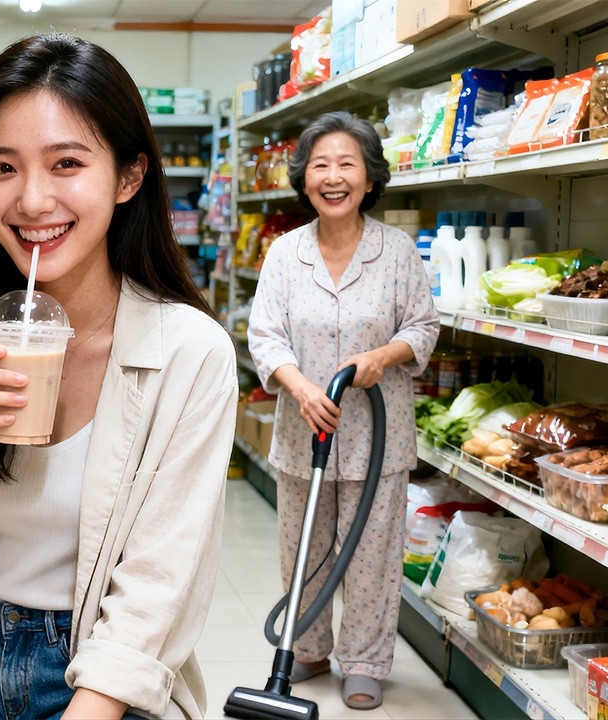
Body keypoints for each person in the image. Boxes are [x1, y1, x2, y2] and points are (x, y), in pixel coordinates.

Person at [0, 34, 237, 719]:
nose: (32, 200)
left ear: (128, 177)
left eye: (66, 163)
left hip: (108, 669)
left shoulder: (191, 352)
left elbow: (160, 582)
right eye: (2, 167)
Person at [247, 110, 439, 710]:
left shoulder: (398, 251)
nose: (333, 177)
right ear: (304, 178)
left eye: (347, 164)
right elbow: (264, 335)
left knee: (373, 553)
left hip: (380, 437)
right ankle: (307, 649)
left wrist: (385, 355)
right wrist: (301, 387)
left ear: (369, 177)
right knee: (300, 547)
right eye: (321, 165)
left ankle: (363, 661)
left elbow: (424, 326)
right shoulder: (284, 254)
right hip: (303, 430)